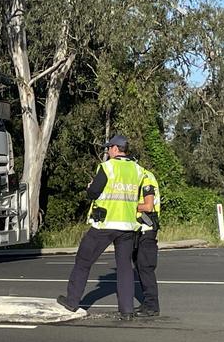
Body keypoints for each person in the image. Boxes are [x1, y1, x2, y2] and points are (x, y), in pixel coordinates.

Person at [56, 135, 144, 321]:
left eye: (108, 148)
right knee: (125, 268)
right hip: (128, 225)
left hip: (105, 224)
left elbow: (94, 192)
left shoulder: (108, 167)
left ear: (115, 148)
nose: (107, 152)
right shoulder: (137, 169)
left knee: (83, 260)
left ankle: (72, 301)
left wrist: (90, 188)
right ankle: (127, 310)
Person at [133, 168, 161, 317]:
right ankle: (147, 303)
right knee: (140, 267)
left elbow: (148, 206)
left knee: (145, 267)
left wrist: (129, 206)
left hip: (147, 228)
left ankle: (152, 306)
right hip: (139, 229)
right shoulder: (142, 176)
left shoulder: (145, 177)